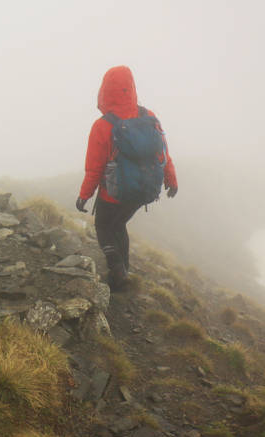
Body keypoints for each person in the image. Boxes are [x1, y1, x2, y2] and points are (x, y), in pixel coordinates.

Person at [76, 65, 178, 291]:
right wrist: (171, 179)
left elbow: (94, 168)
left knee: (103, 226)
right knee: (119, 224)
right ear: (131, 88)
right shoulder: (149, 117)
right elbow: (163, 152)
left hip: (114, 193)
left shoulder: (103, 125)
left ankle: (117, 269)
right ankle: (124, 272)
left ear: (104, 91)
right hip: (143, 191)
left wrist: (84, 196)